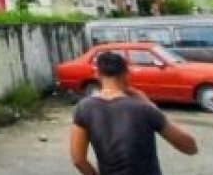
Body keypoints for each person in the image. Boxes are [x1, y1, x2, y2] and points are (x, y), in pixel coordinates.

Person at [70, 51, 198, 175]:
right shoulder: (144, 108)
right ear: (127, 74)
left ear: (97, 74)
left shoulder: (83, 108)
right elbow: (190, 147)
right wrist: (152, 106)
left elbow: (78, 160)